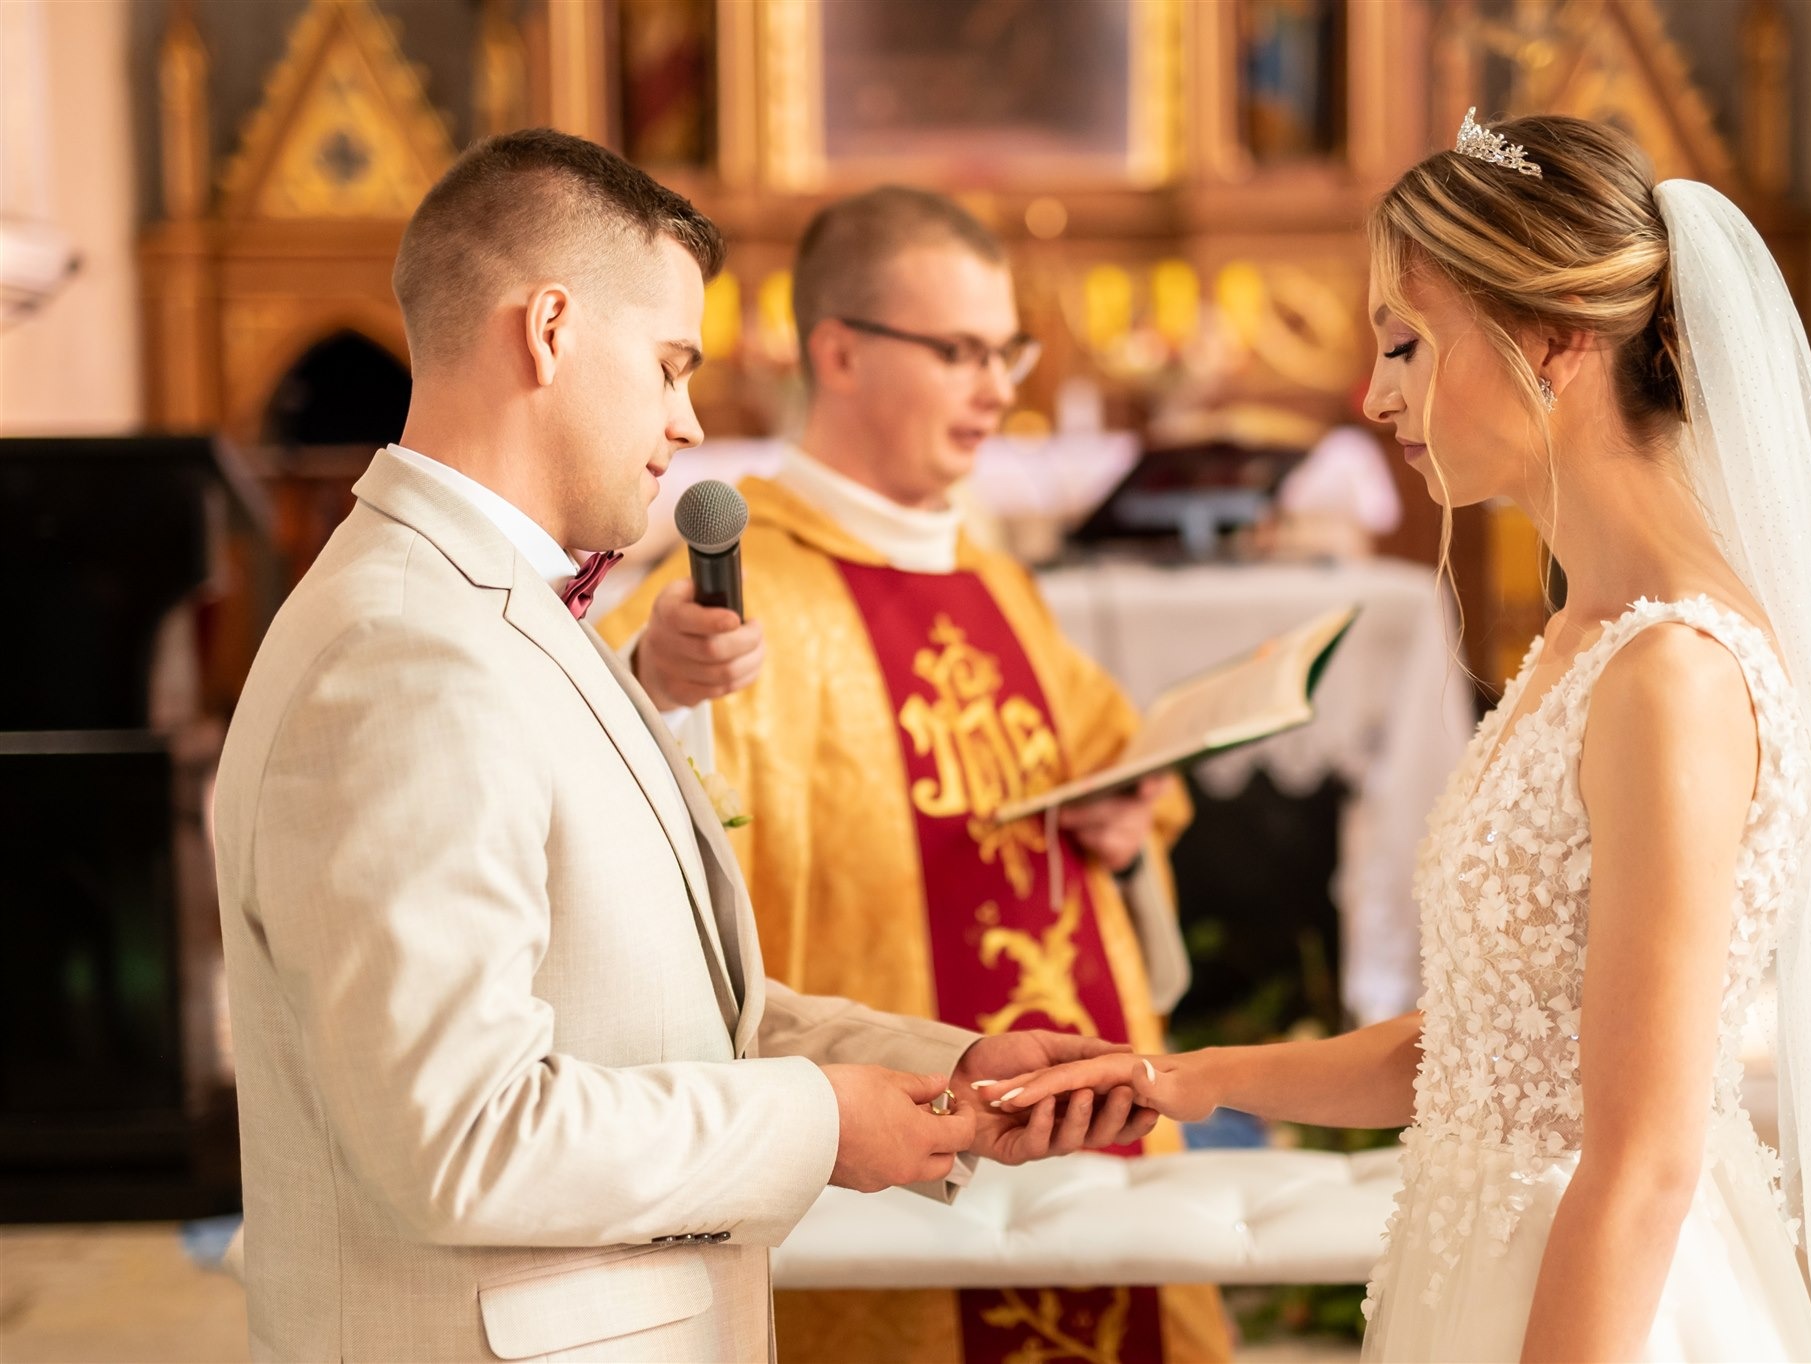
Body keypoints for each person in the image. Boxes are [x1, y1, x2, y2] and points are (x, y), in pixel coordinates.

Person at [981, 113, 1811, 1362]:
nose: (1372, 393)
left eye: (1404, 343)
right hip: (1489, 1266)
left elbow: (1642, 1161)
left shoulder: (1670, 674)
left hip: (1601, 1302)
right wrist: (1189, 1076)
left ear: (1552, 339)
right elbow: (1491, 1046)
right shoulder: (1576, 644)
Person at [211, 130, 1150, 1364]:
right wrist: (819, 1122)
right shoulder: (404, 651)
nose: (689, 421)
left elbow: (658, 1009)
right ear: (549, 330)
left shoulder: (488, 609)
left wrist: (949, 1068)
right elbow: (462, 1132)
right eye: (667, 366)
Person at [598, 186, 1231, 1364]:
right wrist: (658, 681)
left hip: (1078, 1126)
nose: (996, 388)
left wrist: (1125, 820)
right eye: (958, 352)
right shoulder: (727, 591)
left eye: (1006, 352)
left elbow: (1122, 774)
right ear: (838, 352)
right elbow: (598, 782)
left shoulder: (995, 580)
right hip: (882, 1139)